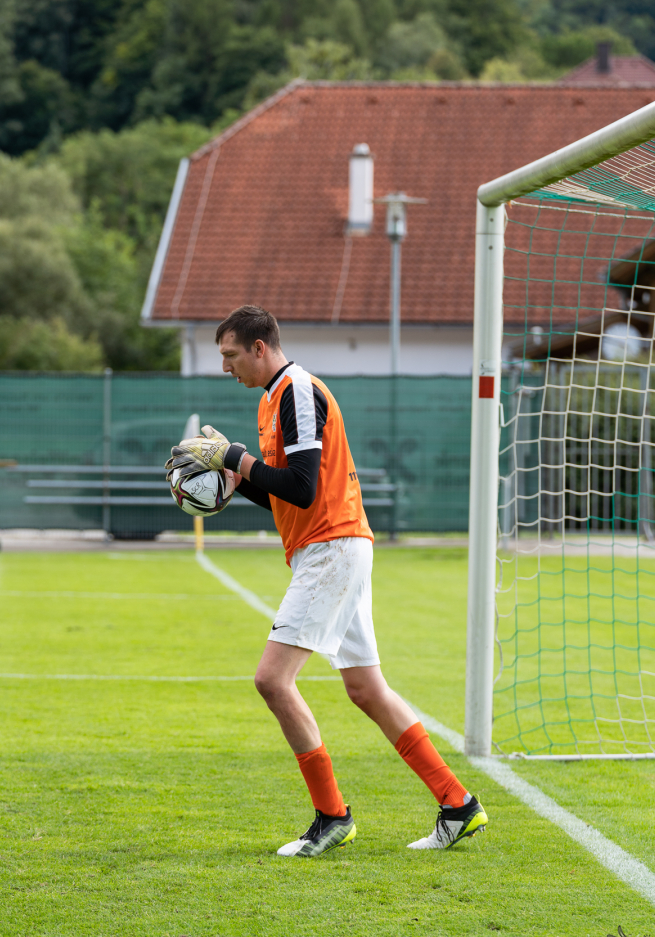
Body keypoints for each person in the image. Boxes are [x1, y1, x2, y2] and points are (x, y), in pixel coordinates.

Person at [166, 305, 487, 857]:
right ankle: (458, 804)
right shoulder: (272, 399)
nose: (225, 367)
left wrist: (236, 456)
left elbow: (304, 487)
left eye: (230, 355)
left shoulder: (296, 390)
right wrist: (233, 475)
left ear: (260, 347)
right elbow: (281, 494)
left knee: (272, 680)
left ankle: (333, 816)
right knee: (366, 689)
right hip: (333, 547)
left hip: (332, 548)